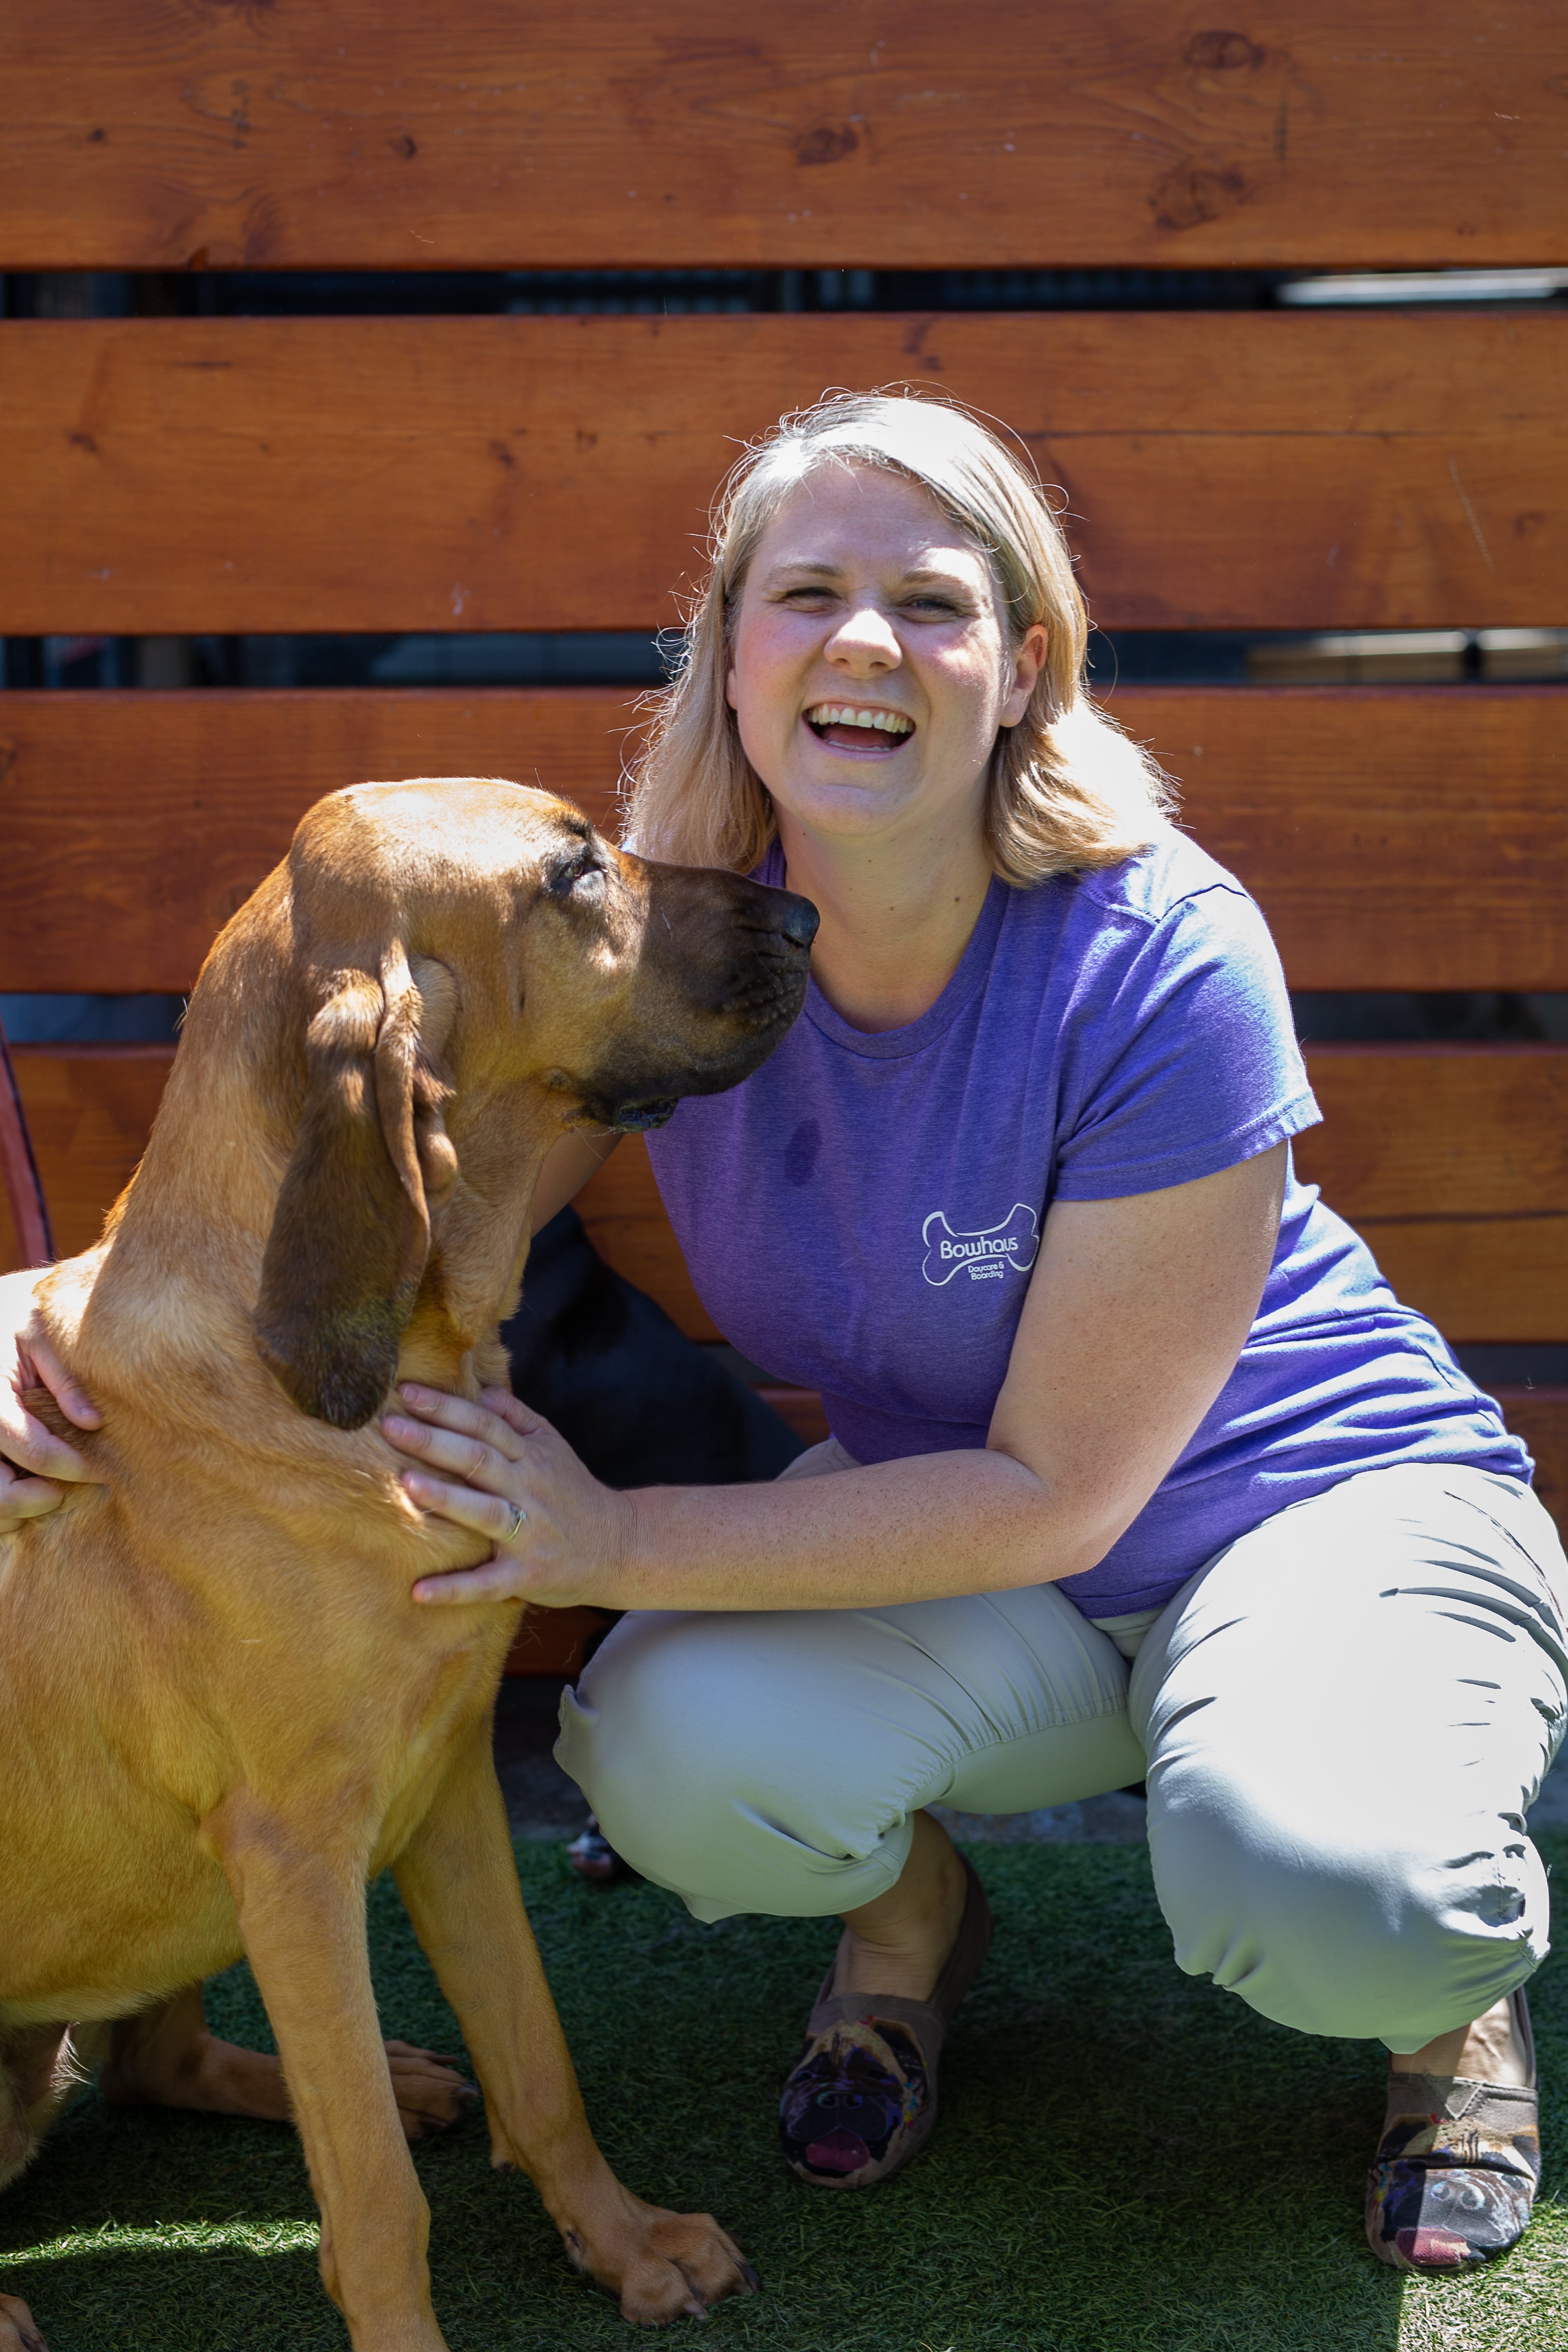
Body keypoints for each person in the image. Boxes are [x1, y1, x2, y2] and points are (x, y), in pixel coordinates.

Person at [5, 393, 1562, 2278]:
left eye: (931, 600)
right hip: (978, 1543)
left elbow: (1068, 1486)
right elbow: (332, 1189)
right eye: (804, 591)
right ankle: (913, 1933)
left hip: (1305, 1507)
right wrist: (36, 1326)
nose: (861, 641)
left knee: (1328, 1885)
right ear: (729, 657)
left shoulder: (1164, 950)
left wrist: (615, 1539)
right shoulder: (680, 971)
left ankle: (1442, 2014)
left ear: (1024, 666)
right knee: (659, 1747)